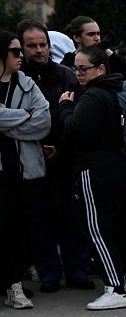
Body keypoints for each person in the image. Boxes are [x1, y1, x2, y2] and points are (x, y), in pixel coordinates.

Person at [16, 19, 93, 295]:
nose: (39, 50)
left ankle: (77, 269)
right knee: (39, 216)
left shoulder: (66, 76)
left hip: (65, 155)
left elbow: (75, 114)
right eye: (32, 45)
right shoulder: (16, 78)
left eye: (43, 45)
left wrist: (60, 147)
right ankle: (48, 271)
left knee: (72, 215)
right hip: (30, 155)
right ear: (22, 48)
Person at [59, 45, 126, 310]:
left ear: (100, 69)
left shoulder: (93, 95)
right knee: (117, 229)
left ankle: (116, 288)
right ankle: (119, 280)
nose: (78, 74)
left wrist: (65, 107)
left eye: (83, 69)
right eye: (75, 69)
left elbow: (77, 130)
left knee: (96, 229)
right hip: (118, 165)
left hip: (94, 168)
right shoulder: (114, 89)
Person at [1, 30, 51, 309]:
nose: (22, 56)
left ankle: (14, 285)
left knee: (18, 231)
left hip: (24, 172)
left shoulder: (27, 84)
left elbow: (43, 123)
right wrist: (24, 118)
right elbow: (33, 119)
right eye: (15, 51)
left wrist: (6, 122)